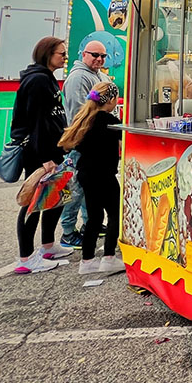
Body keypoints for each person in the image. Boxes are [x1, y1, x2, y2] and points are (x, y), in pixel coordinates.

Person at [11, 37, 72, 273]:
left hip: (53, 149)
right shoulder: (37, 81)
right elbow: (37, 121)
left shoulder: (47, 79)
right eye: (61, 54)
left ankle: (48, 245)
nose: (65, 58)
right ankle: (25, 258)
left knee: (54, 197)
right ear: (48, 54)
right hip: (40, 152)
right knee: (33, 202)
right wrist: (45, 157)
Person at [59, 82, 124, 276]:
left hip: (86, 174)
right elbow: (125, 136)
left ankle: (87, 260)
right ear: (112, 100)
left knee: (94, 218)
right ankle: (109, 257)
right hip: (104, 173)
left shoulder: (85, 118)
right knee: (115, 214)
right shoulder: (109, 121)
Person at [58, 40, 107, 247]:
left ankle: (90, 223)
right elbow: (80, 113)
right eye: (95, 55)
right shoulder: (78, 78)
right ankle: (68, 232)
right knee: (75, 189)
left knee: (90, 188)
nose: (99, 59)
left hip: (93, 143)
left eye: (103, 56)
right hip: (80, 143)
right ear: (84, 54)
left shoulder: (99, 76)